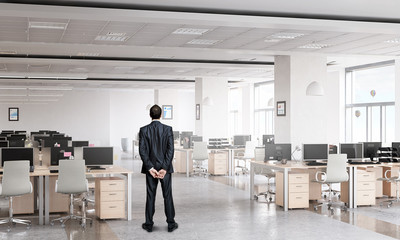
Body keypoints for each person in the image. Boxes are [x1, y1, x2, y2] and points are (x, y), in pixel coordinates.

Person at [139, 104, 178, 233]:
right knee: (168, 195)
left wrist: (150, 167)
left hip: (151, 169)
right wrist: (164, 168)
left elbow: (142, 151)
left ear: (150, 115)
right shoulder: (168, 129)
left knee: (150, 196)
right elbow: (170, 150)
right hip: (164, 169)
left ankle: (149, 224)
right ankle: (171, 224)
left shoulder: (144, 130)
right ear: (161, 115)